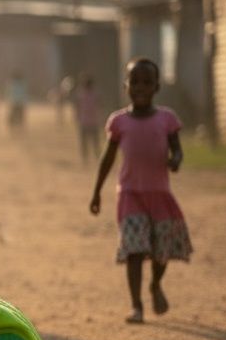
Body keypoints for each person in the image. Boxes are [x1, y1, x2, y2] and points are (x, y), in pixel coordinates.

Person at [89, 58, 193, 324]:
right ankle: (136, 306)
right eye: (134, 81)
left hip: (159, 194)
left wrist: (176, 160)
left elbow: (177, 148)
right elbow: (108, 158)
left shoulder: (167, 119)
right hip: (130, 194)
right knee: (134, 251)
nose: (140, 87)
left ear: (156, 86)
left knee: (161, 251)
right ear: (126, 86)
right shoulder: (118, 122)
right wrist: (97, 191)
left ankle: (155, 284)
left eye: (147, 82)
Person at [74, 73, 101, 165]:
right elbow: (100, 105)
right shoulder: (96, 93)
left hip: (84, 121)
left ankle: (86, 159)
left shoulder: (80, 94)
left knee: (85, 142)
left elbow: (77, 107)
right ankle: (95, 158)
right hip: (93, 121)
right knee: (94, 142)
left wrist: (76, 117)